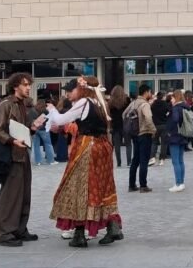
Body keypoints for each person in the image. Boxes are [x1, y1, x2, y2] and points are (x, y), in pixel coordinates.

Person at [48, 77, 123, 248]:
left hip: (88, 147)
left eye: (71, 90)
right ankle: (113, 226)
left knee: (79, 187)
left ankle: (80, 233)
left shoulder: (84, 102)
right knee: (103, 187)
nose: (68, 94)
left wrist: (52, 110)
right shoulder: (100, 102)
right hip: (103, 147)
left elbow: (60, 120)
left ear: (82, 89)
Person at [0, 73, 45, 246]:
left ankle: (20, 229)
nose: (28, 87)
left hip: (22, 155)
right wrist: (12, 141)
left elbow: (21, 131)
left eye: (29, 84)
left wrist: (33, 128)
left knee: (24, 194)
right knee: (10, 195)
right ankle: (5, 233)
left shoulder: (23, 105)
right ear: (15, 86)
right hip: (11, 156)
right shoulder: (6, 105)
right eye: (25, 84)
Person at [126, 84, 156, 192]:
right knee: (144, 160)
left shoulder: (133, 103)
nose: (151, 94)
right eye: (150, 92)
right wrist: (153, 130)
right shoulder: (145, 104)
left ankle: (132, 184)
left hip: (135, 134)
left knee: (135, 160)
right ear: (146, 92)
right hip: (144, 133)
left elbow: (124, 114)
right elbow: (148, 118)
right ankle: (143, 185)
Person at [164, 88, 190, 192]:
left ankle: (178, 183)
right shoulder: (185, 107)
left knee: (175, 161)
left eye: (172, 98)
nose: (171, 100)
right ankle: (182, 182)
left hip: (174, 136)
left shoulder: (175, 108)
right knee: (180, 160)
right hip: (183, 135)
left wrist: (169, 130)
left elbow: (174, 119)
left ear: (176, 97)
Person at [109, 85, 130, 167]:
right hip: (125, 124)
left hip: (115, 125)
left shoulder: (110, 102)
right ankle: (129, 161)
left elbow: (109, 114)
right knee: (128, 144)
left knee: (117, 145)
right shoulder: (127, 100)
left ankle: (119, 162)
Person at [32, 97, 56, 166]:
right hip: (43, 129)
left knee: (36, 145)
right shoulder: (45, 111)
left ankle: (38, 161)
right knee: (48, 144)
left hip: (35, 129)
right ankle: (51, 160)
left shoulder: (34, 110)